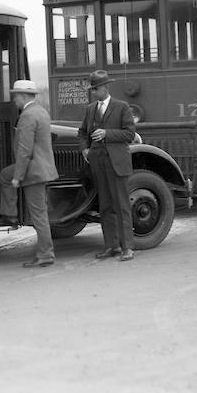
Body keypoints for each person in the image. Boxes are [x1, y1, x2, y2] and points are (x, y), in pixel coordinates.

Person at [0, 79, 59, 268]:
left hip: (33, 172)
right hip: (42, 169)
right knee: (40, 214)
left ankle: (46, 254)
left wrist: (17, 177)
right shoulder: (41, 111)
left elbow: (24, 150)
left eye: (15, 97)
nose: (14, 101)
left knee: (39, 216)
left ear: (22, 96)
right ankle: (44, 252)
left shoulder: (28, 116)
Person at [77, 69, 137, 261]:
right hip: (99, 162)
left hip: (117, 162)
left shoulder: (122, 107)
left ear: (104, 87)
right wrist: (85, 149)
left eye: (95, 89)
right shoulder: (90, 109)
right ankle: (112, 246)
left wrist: (107, 134)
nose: (93, 93)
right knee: (105, 206)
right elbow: (82, 132)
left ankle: (127, 247)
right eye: (92, 90)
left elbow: (129, 134)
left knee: (122, 205)